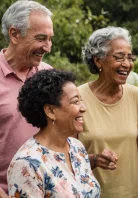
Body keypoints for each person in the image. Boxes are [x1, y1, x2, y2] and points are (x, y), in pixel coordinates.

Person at [7, 69, 100, 197]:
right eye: (75, 101)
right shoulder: (27, 163)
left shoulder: (77, 147)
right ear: (50, 111)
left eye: (81, 100)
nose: (83, 108)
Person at [80, 26, 138, 198]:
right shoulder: (77, 97)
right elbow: (65, 156)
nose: (127, 64)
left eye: (130, 57)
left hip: (131, 194)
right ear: (98, 60)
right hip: (91, 194)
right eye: (119, 57)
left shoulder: (136, 95)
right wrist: (94, 159)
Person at [0, 1, 53, 196]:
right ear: (14, 34)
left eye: (50, 39)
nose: (47, 47)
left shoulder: (47, 74)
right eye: (41, 38)